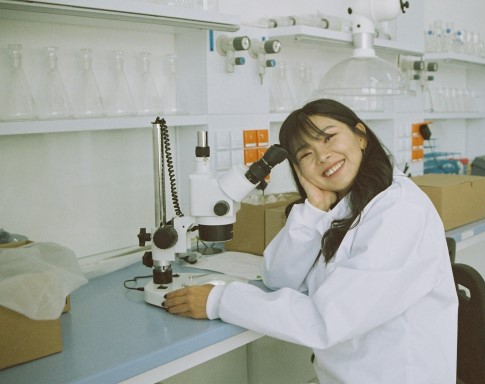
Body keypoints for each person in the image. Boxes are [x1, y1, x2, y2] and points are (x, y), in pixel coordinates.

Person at [164, 99, 458, 383]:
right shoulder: (348, 206)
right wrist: (313, 212)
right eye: (305, 154)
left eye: (329, 138)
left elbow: (325, 321)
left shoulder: (399, 211)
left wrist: (220, 300)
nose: (322, 156)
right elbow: (277, 278)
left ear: (361, 136)